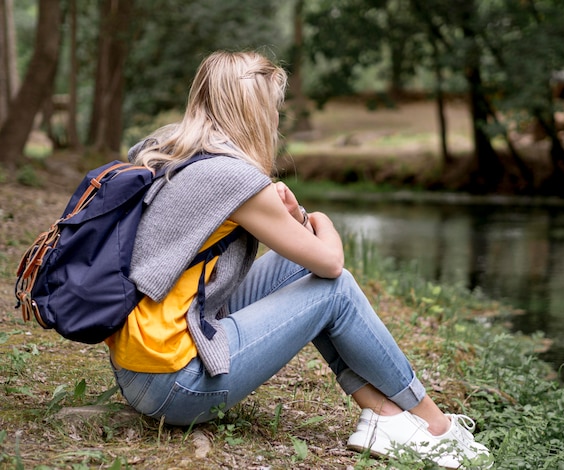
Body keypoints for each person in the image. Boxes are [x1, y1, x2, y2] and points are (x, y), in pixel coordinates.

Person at [105, 50, 493, 469]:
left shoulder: (162, 151)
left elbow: (300, 253)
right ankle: (437, 427)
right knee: (335, 289)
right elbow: (329, 263)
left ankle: (384, 416)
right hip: (175, 384)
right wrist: (318, 217)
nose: (276, 120)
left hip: (139, 366)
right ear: (253, 111)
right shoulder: (234, 178)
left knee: (297, 268)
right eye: (274, 108)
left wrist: (293, 218)